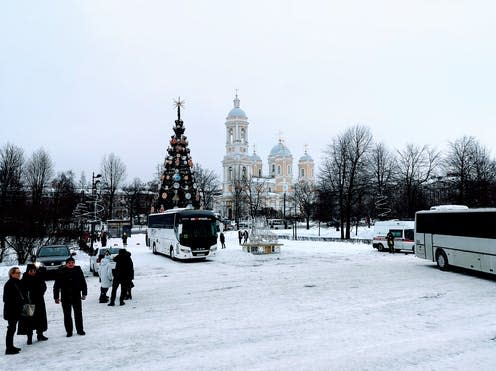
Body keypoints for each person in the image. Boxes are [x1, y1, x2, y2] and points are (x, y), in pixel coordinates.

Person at [53, 257, 87, 337]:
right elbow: (56, 285)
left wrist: (84, 293)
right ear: (66, 264)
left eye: (72, 263)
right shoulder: (61, 271)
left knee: (78, 314)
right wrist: (56, 297)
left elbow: (83, 282)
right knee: (67, 315)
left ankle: (80, 330)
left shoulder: (78, 270)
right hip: (65, 296)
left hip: (76, 295)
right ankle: (69, 331)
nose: (71, 264)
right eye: (69, 263)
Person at [18, 264, 48, 345]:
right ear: (28, 271)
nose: (33, 272)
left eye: (34, 270)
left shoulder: (39, 277)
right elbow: (21, 290)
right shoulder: (24, 279)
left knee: (40, 318)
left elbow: (44, 286)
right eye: (31, 271)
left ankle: (40, 335)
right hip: (28, 302)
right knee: (29, 320)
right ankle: (29, 338)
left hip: (39, 301)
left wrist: (40, 292)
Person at [3, 267, 23, 355]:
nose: (19, 274)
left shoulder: (17, 282)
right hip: (11, 310)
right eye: (17, 273)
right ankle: (9, 348)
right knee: (11, 329)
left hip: (15, 310)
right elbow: (6, 299)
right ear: (12, 274)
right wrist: (17, 302)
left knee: (12, 329)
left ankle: (11, 346)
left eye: (20, 273)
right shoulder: (10, 284)